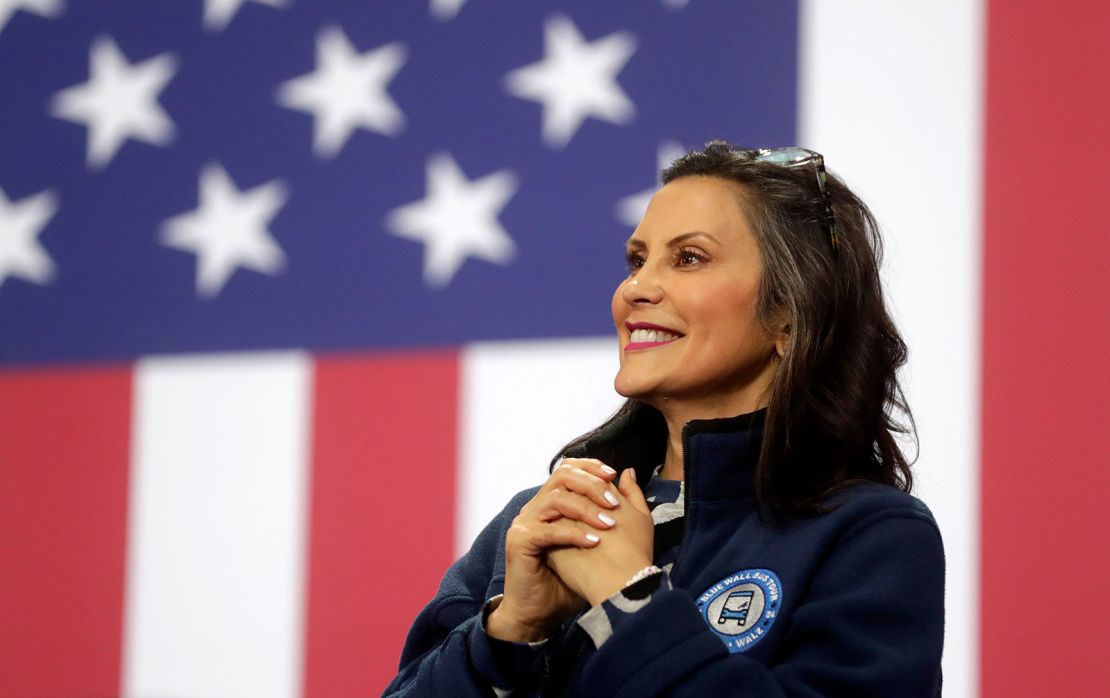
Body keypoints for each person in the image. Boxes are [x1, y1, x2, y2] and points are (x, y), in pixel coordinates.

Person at [384, 141, 945, 697]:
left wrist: (628, 599)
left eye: (689, 258)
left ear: (789, 316)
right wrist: (508, 634)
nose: (636, 289)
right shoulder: (542, 522)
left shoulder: (870, 536)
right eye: (637, 260)